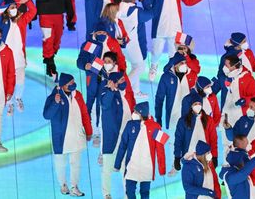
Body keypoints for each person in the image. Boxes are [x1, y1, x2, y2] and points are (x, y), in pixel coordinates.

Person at [141, 0, 208, 81]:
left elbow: (188, 1)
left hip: (175, 26)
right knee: (156, 52)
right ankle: (154, 66)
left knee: (174, 52)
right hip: (159, 25)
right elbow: (146, 2)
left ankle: (171, 70)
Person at [77, 22, 127, 146]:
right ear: (94, 33)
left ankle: (99, 134)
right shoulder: (88, 45)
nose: (101, 35)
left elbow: (120, 59)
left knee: (103, 105)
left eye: (103, 33)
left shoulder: (113, 43)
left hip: (107, 80)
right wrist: (84, 65)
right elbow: (80, 60)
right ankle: (88, 129)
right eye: (98, 33)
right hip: (92, 80)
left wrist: (121, 74)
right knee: (89, 104)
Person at [43, 73, 93, 196]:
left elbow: (85, 114)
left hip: (77, 134)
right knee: (60, 163)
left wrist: (89, 130)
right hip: (61, 137)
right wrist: (55, 103)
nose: (73, 85)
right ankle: (63, 184)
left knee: (76, 164)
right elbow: (46, 115)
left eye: (73, 82)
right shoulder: (54, 96)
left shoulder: (78, 95)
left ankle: (74, 187)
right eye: (70, 83)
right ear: (63, 85)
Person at [0, 0, 36, 116]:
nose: (13, 9)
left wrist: (26, 1)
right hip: (7, 59)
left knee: (21, 81)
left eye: (14, 6)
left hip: (20, 57)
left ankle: (18, 98)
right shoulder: (2, 23)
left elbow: (33, 11)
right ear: (6, 9)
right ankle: (9, 102)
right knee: (8, 82)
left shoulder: (22, 19)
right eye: (11, 7)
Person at [223, 97, 255, 199]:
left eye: (251, 107)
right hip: (241, 163)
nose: (248, 108)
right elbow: (233, 138)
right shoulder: (243, 120)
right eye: (249, 106)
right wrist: (228, 128)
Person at [114, 101, 166, 199]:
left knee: (145, 193)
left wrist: (162, 168)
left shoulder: (156, 127)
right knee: (129, 192)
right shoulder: (130, 125)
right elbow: (122, 145)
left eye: (136, 112)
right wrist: (117, 164)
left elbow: (160, 149)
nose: (133, 113)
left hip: (147, 167)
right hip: (132, 165)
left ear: (142, 114)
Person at [32, 0, 73, 77]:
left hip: (59, 11)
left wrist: (70, 11)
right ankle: (49, 61)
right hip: (45, 12)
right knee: (48, 38)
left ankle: (51, 54)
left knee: (58, 36)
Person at [100, 71, 135, 199]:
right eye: (120, 80)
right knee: (107, 170)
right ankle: (107, 194)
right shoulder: (105, 91)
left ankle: (128, 195)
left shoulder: (126, 94)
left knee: (126, 169)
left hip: (125, 140)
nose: (123, 82)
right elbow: (104, 104)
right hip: (111, 139)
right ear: (114, 82)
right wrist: (110, 90)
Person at [214, 54, 255, 160]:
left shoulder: (247, 78)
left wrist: (245, 101)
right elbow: (216, 88)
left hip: (240, 114)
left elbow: (254, 97)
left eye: (226, 65)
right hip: (226, 112)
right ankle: (226, 161)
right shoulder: (224, 76)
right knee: (225, 139)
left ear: (233, 66)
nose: (224, 66)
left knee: (239, 140)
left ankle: (242, 162)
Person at [117, 0, 153, 98]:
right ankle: (121, 89)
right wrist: (144, 0)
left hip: (121, 42)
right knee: (139, 67)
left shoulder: (117, 7)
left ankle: (136, 91)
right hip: (132, 43)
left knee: (134, 65)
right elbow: (151, 13)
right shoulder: (136, 11)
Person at [174, 93, 218, 175]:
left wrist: (215, 156)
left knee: (207, 180)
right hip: (189, 156)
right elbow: (178, 139)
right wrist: (177, 156)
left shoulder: (208, 120)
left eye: (199, 104)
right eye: (195, 104)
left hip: (205, 156)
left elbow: (213, 139)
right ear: (191, 106)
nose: (198, 106)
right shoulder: (183, 121)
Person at [219, 135, 255, 199]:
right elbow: (243, 173)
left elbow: (252, 167)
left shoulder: (238, 169)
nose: (248, 143)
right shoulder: (230, 176)